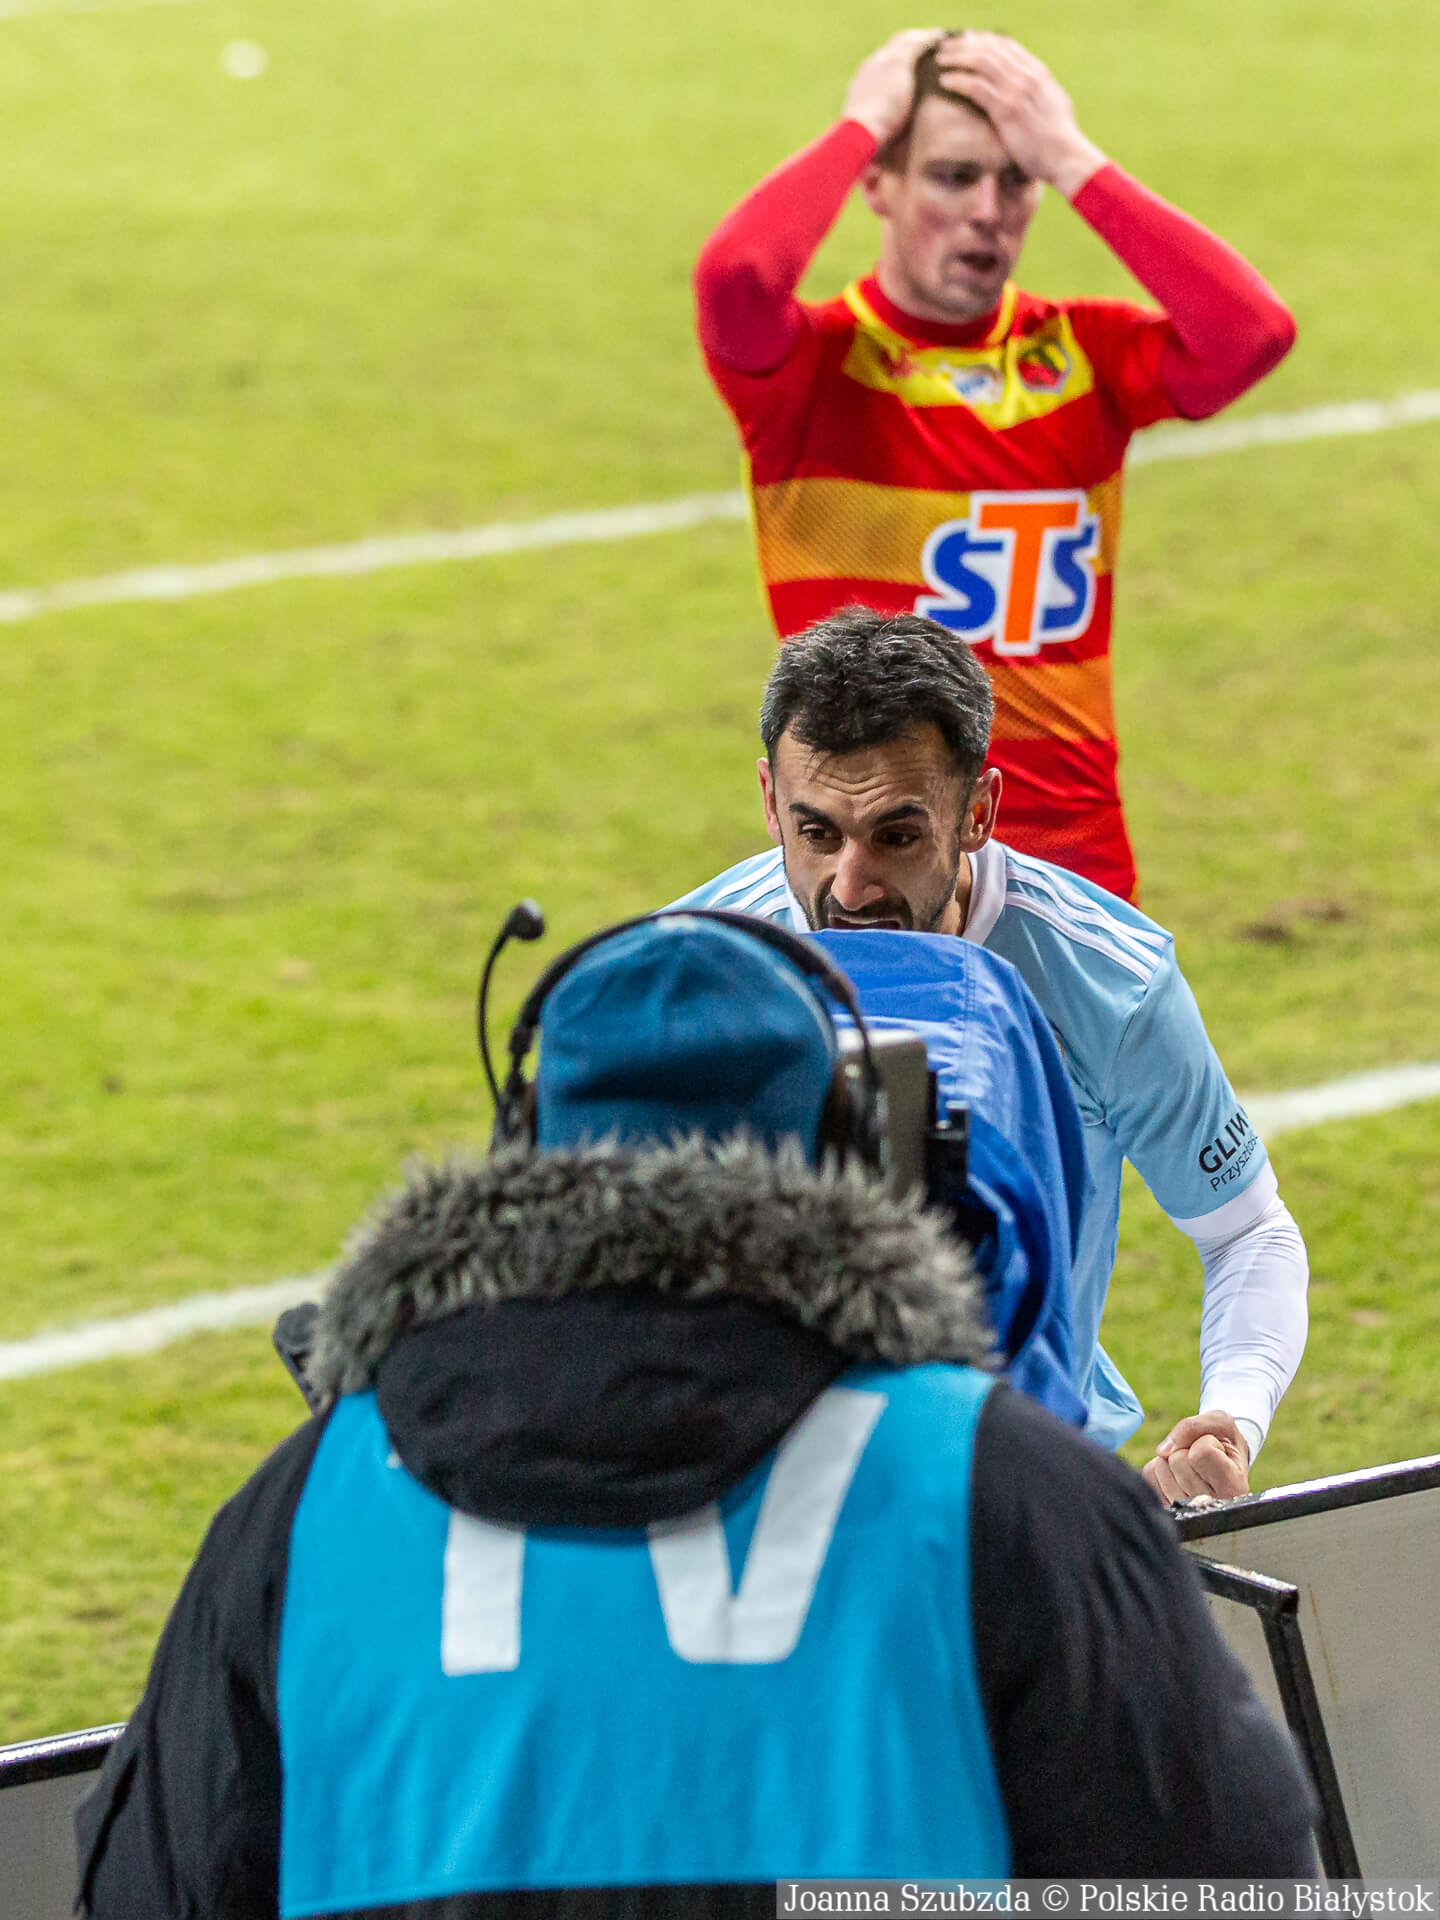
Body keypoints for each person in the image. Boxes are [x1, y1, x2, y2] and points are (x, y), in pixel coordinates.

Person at [76, 912, 1314, 1915]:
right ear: (863, 1158)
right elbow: (1230, 1871)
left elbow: (145, 1883)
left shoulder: (306, 1514)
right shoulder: (1004, 1492)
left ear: (522, 1149)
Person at [672, 607, 1310, 1497]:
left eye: (896, 836)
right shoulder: (691, 969)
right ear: (770, 802)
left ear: (978, 812)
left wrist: (1233, 1415)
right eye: (817, 833)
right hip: (776, 1489)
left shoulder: (1108, 984)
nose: (850, 887)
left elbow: (1246, 1229)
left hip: (1026, 1479)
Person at [695, 28, 1296, 901]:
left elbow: (1253, 334)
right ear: (879, 183)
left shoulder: (1085, 354)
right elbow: (737, 278)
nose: (988, 210)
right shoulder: (810, 370)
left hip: (1074, 875)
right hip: (877, 874)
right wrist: (861, 123)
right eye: (953, 176)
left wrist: (1074, 160)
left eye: (1017, 179)